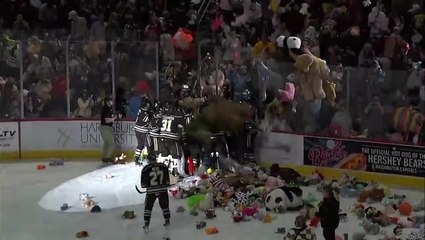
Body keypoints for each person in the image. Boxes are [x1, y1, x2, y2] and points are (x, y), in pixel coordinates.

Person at [140, 151, 171, 240]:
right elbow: (167, 182)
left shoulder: (145, 169)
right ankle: (167, 221)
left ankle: (146, 225)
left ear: (148, 159)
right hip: (162, 190)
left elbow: (143, 185)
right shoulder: (163, 166)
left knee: (148, 208)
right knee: (165, 207)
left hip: (151, 192)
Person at [100, 97, 120, 163]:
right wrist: (114, 118)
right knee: (111, 144)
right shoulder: (106, 109)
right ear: (107, 102)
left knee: (106, 144)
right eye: (111, 101)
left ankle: (105, 157)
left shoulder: (108, 109)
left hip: (105, 128)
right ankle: (107, 158)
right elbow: (106, 120)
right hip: (106, 128)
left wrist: (113, 119)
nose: (112, 102)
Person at [134, 95, 153, 165]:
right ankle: (149, 159)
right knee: (149, 145)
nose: (149, 105)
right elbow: (147, 122)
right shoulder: (146, 114)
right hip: (143, 131)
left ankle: (136, 159)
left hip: (136, 129)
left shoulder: (140, 109)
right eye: (147, 104)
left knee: (140, 145)